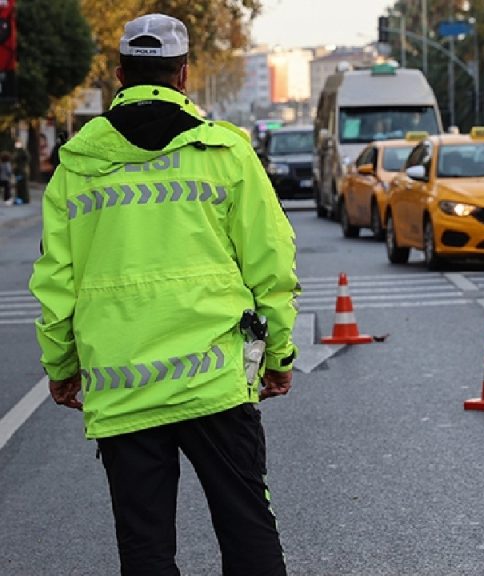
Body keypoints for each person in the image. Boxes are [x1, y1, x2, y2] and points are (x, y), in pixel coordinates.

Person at [29, 13, 298, 576]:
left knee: (146, 549)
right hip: (216, 381)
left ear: (120, 72)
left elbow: (56, 283)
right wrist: (279, 355)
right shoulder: (224, 152)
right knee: (248, 529)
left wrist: (61, 366)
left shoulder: (76, 165)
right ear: (184, 74)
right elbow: (271, 262)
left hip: (123, 386)